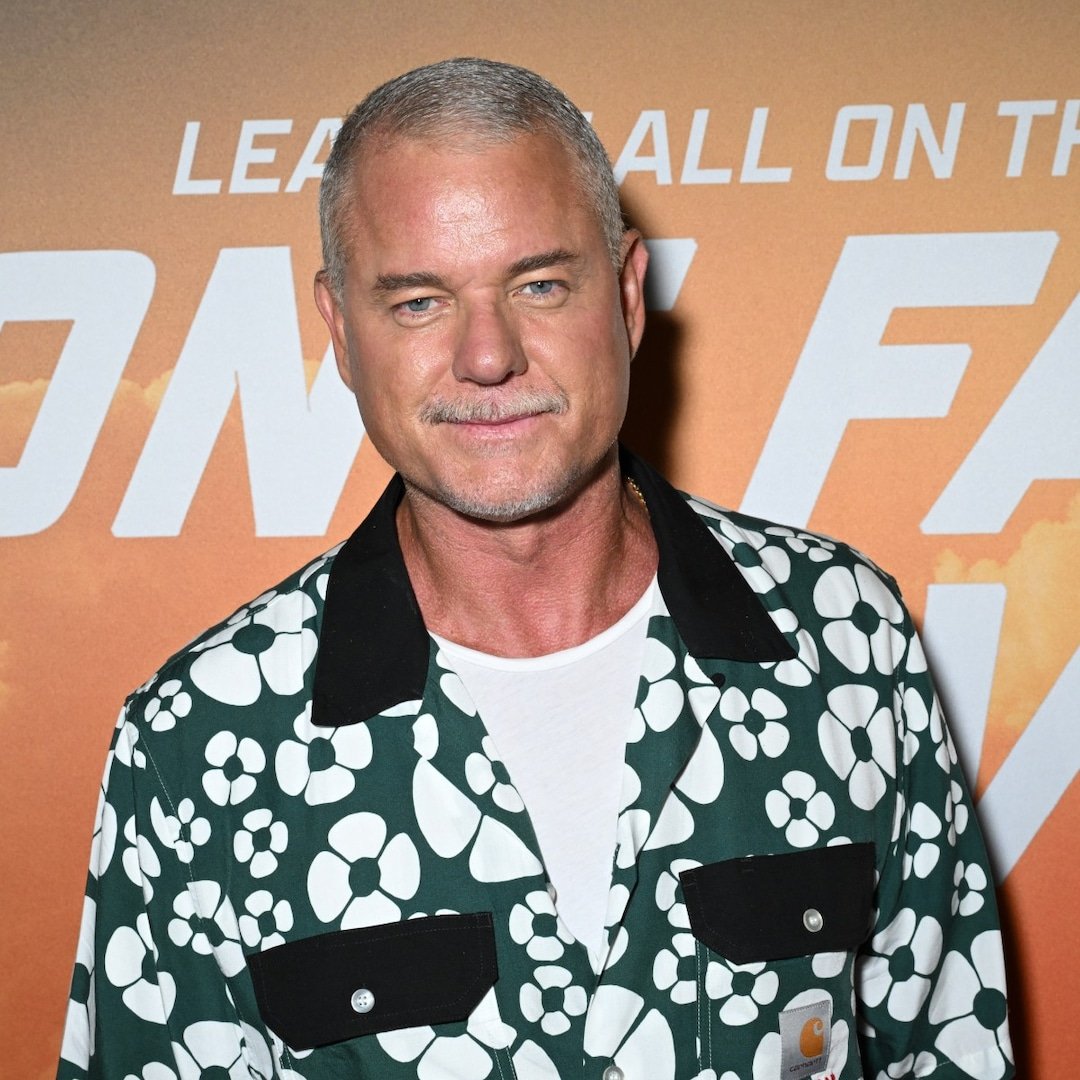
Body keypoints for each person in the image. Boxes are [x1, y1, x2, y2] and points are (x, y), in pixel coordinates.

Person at [57, 58, 1014, 1080]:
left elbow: (955, 1047)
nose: (488, 355)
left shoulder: (846, 638)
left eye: (540, 285)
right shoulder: (198, 741)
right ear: (340, 330)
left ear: (629, 295)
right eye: (417, 302)